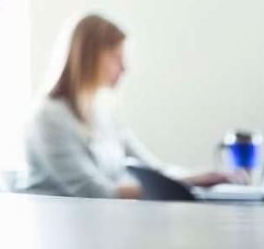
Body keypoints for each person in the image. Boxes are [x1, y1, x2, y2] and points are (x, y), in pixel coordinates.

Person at [23, 14, 237, 198]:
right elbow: (94, 192)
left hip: (97, 223)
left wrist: (200, 177)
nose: (124, 68)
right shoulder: (49, 116)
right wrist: (180, 186)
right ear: (89, 58)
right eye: (116, 57)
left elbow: (154, 169)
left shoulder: (102, 113)